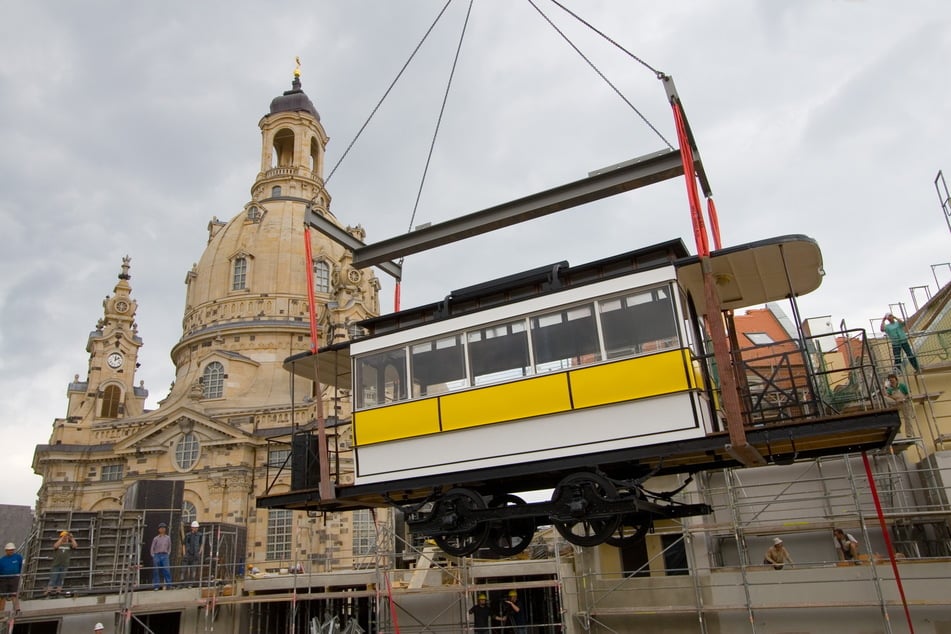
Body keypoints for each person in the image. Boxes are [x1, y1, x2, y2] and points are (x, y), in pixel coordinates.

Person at [46, 530, 78, 596]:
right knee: (53, 578)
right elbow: (55, 546)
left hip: (64, 565)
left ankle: (58, 592)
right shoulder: (58, 544)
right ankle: (49, 592)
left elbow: (75, 546)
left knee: (61, 579)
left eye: (66, 537)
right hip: (56, 564)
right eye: (64, 536)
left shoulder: (69, 545)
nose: (65, 538)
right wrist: (62, 538)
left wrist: (71, 538)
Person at [0, 543, 22, 614]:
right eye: (9, 550)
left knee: (14, 594)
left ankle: (17, 610)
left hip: (15, 578)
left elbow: (21, 566)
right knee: (2, 595)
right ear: (6, 550)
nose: (11, 551)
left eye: (12, 550)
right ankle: (1, 611)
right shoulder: (2, 560)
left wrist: (19, 575)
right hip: (3, 579)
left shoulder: (18, 557)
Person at [150, 523, 172, 590]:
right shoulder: (156, 538)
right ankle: (156, 586)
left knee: (167, 570)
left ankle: (169, 585)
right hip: (157, 555)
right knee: (156, 571)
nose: (162, 529)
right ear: (159, 529)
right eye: (161, 528)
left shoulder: (168, 538)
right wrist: (153, 555)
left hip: (165, 555)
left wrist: (168, 553)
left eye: (164, 528)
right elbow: (152, 548)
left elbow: (169, 546)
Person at [181, 520, 204, 585]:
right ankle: (183, 584)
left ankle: (191, 584)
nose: (196, 528)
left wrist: (200, 552)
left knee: (193, 570)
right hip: (188, 554)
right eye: (194, 527)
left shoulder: (200, 535)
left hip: (195, 554)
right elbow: (184, 544)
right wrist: (184, 553)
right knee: (184, 569)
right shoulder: (188, 535)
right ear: (192, 528)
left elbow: (201, 544)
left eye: (197, 527)